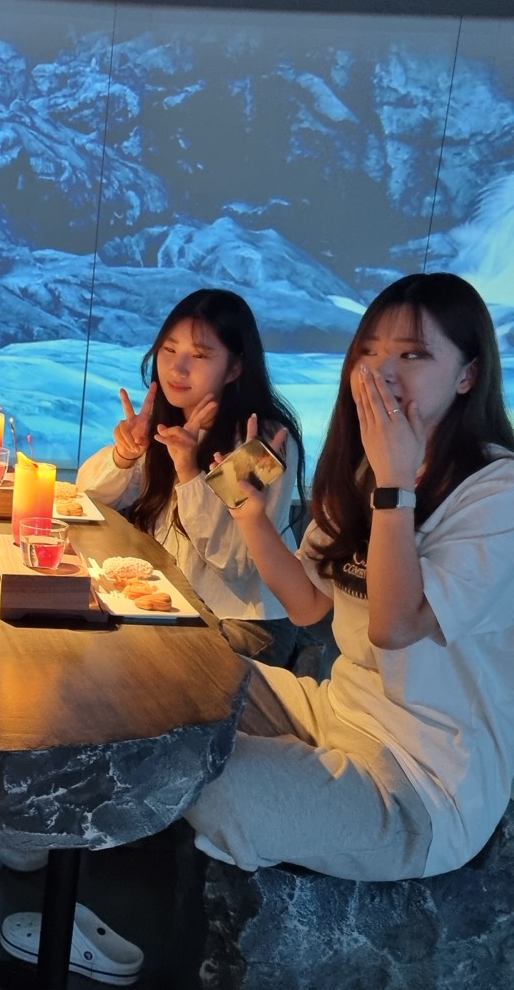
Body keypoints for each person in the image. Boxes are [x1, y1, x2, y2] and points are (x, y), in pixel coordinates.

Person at [185, 272, 514, 880]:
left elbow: (395, 626)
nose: (381, 371)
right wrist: (247, 512)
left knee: (196, 777)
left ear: (468, 375)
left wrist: (395, 482)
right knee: (171, 680)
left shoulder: (496, 492)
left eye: (413, 355)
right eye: (370, 351)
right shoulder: (370, 473)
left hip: (422, 783)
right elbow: (310, 605)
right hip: (333, 712)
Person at [76, 288, 305, 667]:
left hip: (243, 622)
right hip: (175, 604)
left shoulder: (260, 440)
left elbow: (233, 563)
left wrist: (188, 470)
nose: (177, 369)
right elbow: (85, 500)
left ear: (235, 368)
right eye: (169, 350)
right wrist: (125, 455)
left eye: (199, 356)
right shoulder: (170, 423)